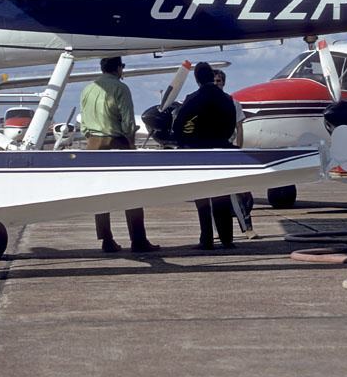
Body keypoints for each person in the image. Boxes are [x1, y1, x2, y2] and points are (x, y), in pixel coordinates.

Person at [79, 55, 160, 254]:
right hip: (117, 143)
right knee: (131, 194)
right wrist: (130, 142)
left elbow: (83, 126)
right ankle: (138, 240)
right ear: (118, 68)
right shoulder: (120, 88)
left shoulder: (87, 89)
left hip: (92, 146)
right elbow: (127, 123)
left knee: (100, 196)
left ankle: (107, 240)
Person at [173, 62, 238, 250]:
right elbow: (230, 126)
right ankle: (227, 238)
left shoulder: (192, 99)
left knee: (202, 197)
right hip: (222, 149)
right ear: (212, 76)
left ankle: (207, 239)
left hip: (199, 152)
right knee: (222, 195)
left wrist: (187, 142)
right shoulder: (227, 99)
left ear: (197, 79)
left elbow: (180, 126)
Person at [214, 69, 254, 237]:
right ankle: (218, 230)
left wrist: (240, 148)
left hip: (228, 148)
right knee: (214, 193)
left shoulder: (233, 103)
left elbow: (239, 127)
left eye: (219, 81)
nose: (217, 84)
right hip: (213, 150)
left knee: (238, 190)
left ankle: (248, 228)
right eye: (214, 81)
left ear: (224, 83)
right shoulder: (208, 103)